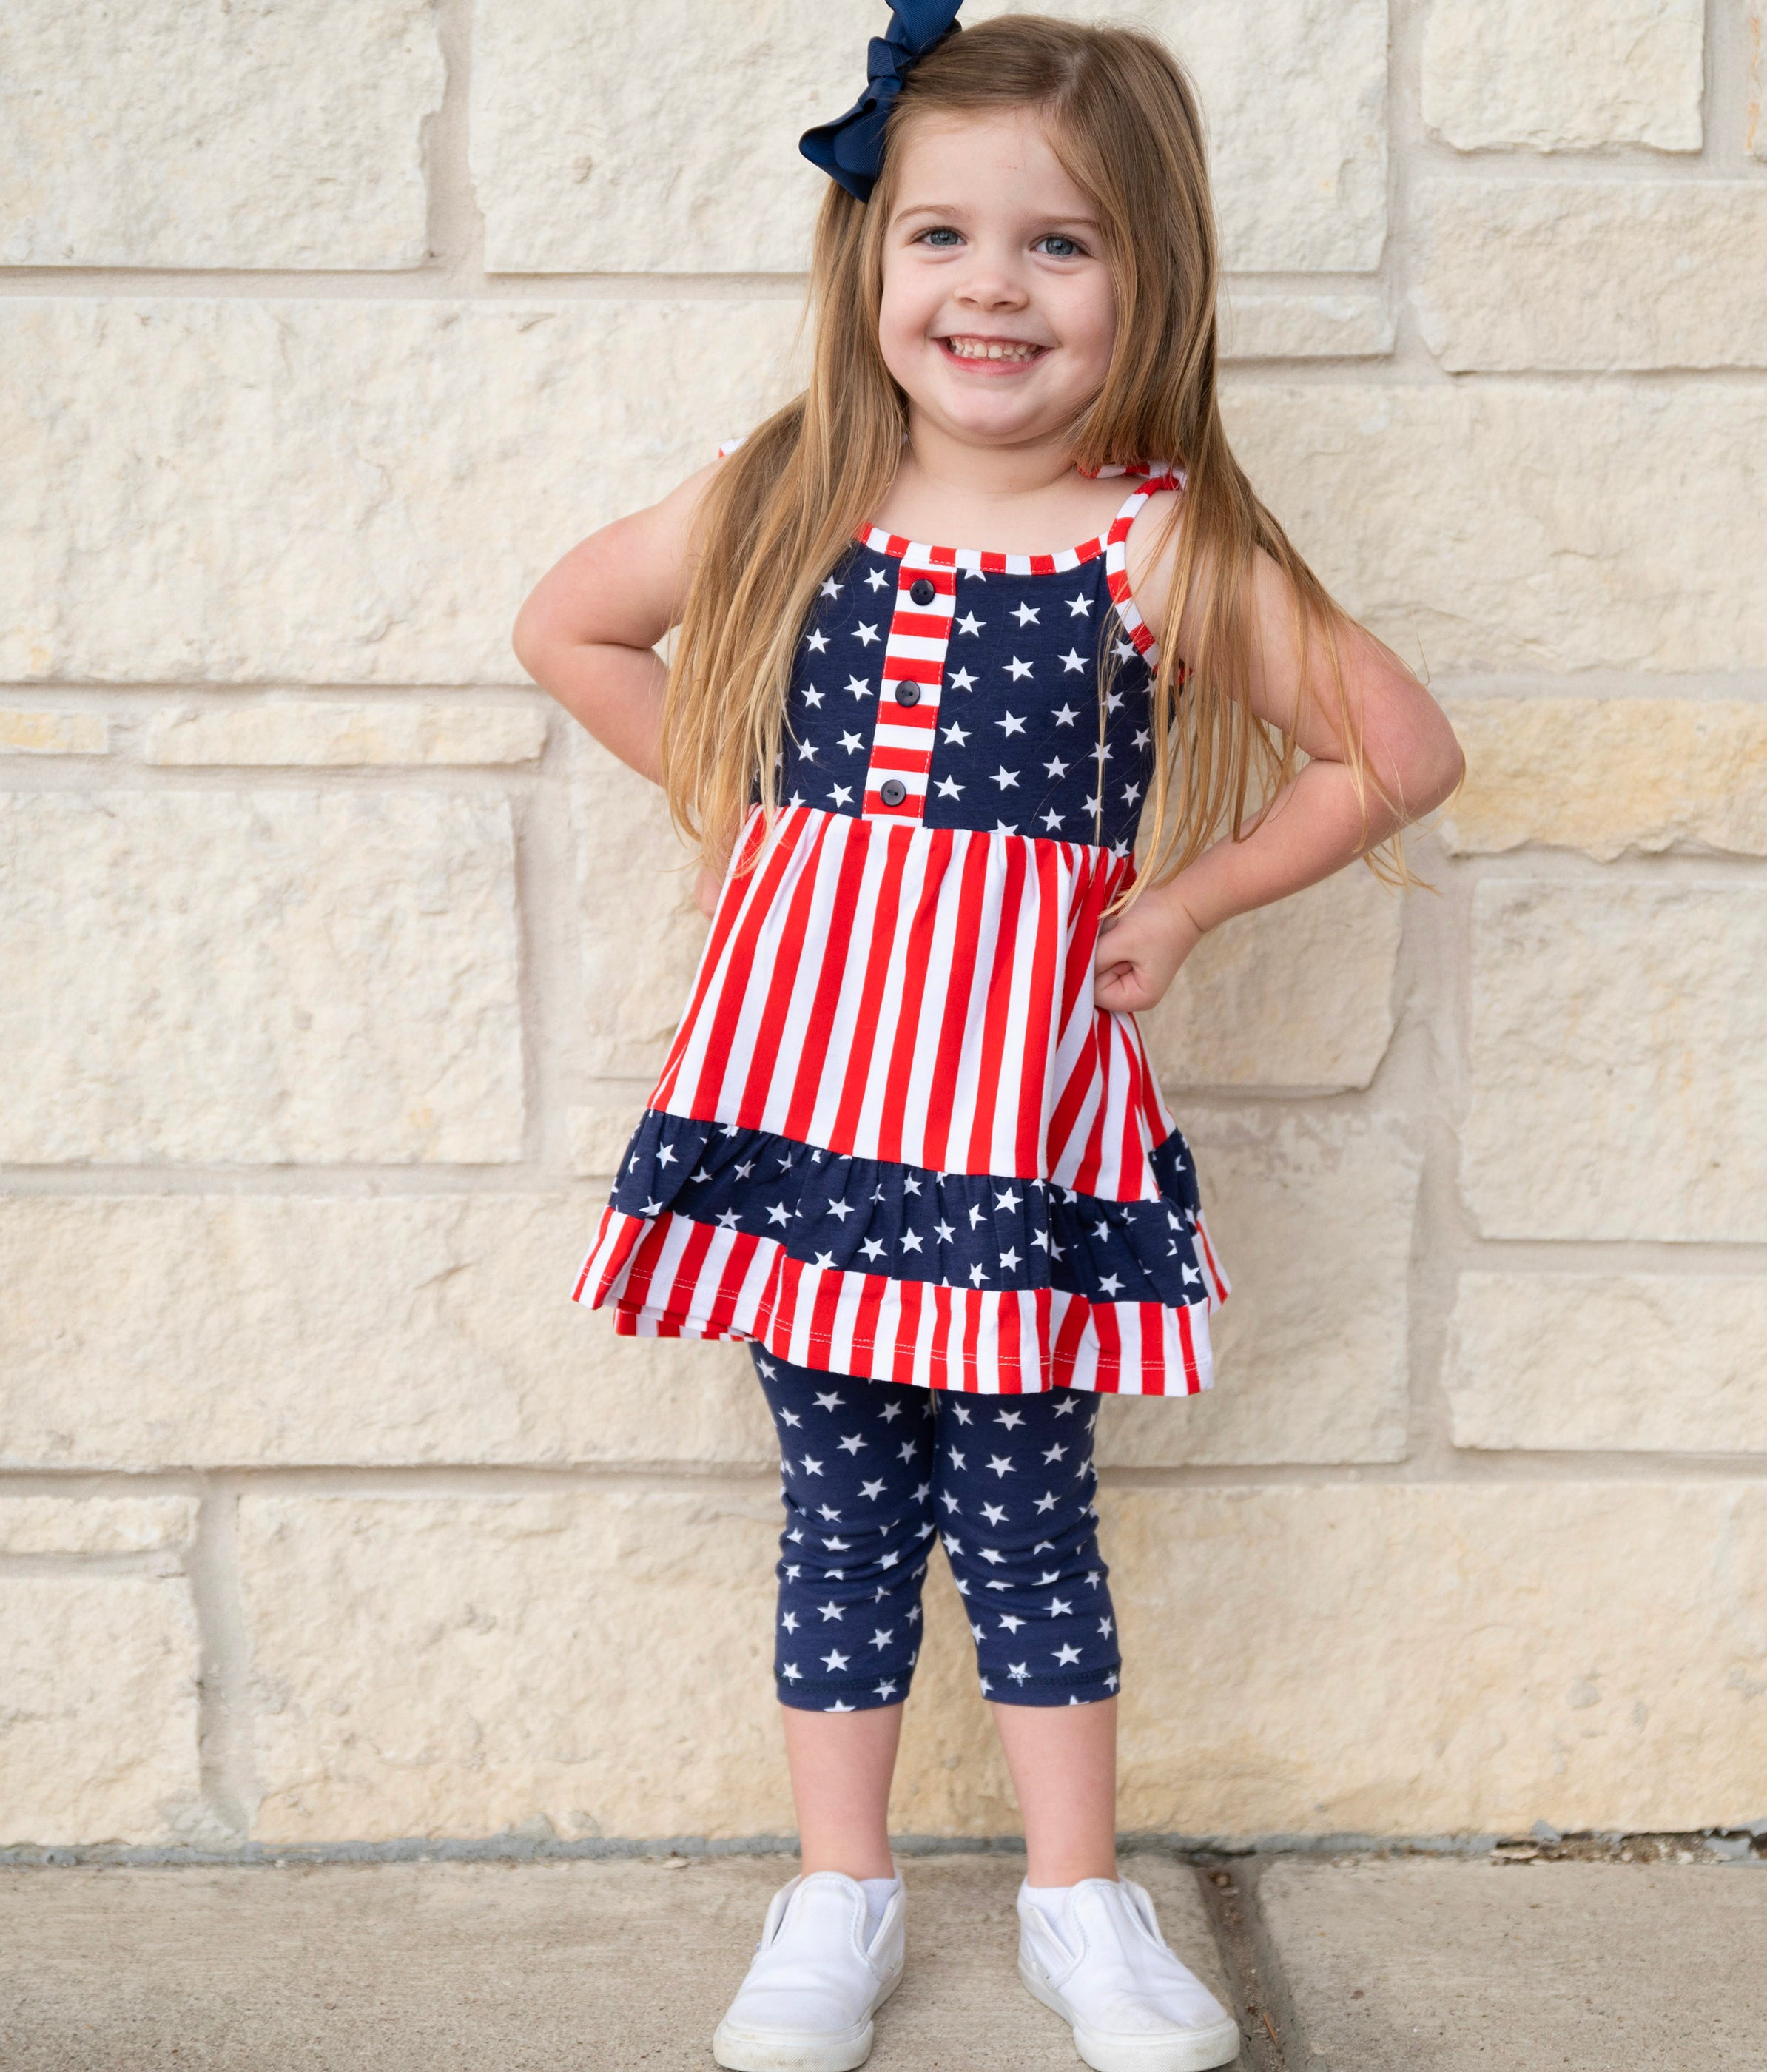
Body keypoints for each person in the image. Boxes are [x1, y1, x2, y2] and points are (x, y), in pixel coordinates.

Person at [514, 8, 1462, 2067]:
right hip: (805, 1099)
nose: (993, 287)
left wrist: (1190, 901)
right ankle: (838, 1895)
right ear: (868, 264)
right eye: (941, 233)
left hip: (1019, 1126)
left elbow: (1393, 746)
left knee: (1029, 1512)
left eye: (1062, 245)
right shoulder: (790, 497)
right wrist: (741, 807)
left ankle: (1075, 1902)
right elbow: (567, 622)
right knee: (840, 1505)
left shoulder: (1157, 538)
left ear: (1153, 282)